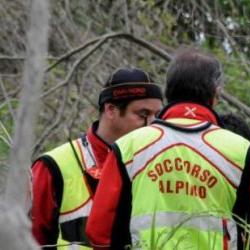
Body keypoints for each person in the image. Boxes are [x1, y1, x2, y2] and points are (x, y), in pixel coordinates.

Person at [86, 49, 250, 249]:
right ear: (216, 94)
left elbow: (99, 233)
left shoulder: (128, 147)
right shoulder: (243, 152)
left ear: (168, 92)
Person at [31, 68, 163, 249]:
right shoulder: (52, 166)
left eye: (158, 115)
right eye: (143, 115)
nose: (153, 125)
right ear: (111, 110)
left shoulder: (161, 162)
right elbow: (25, 240)